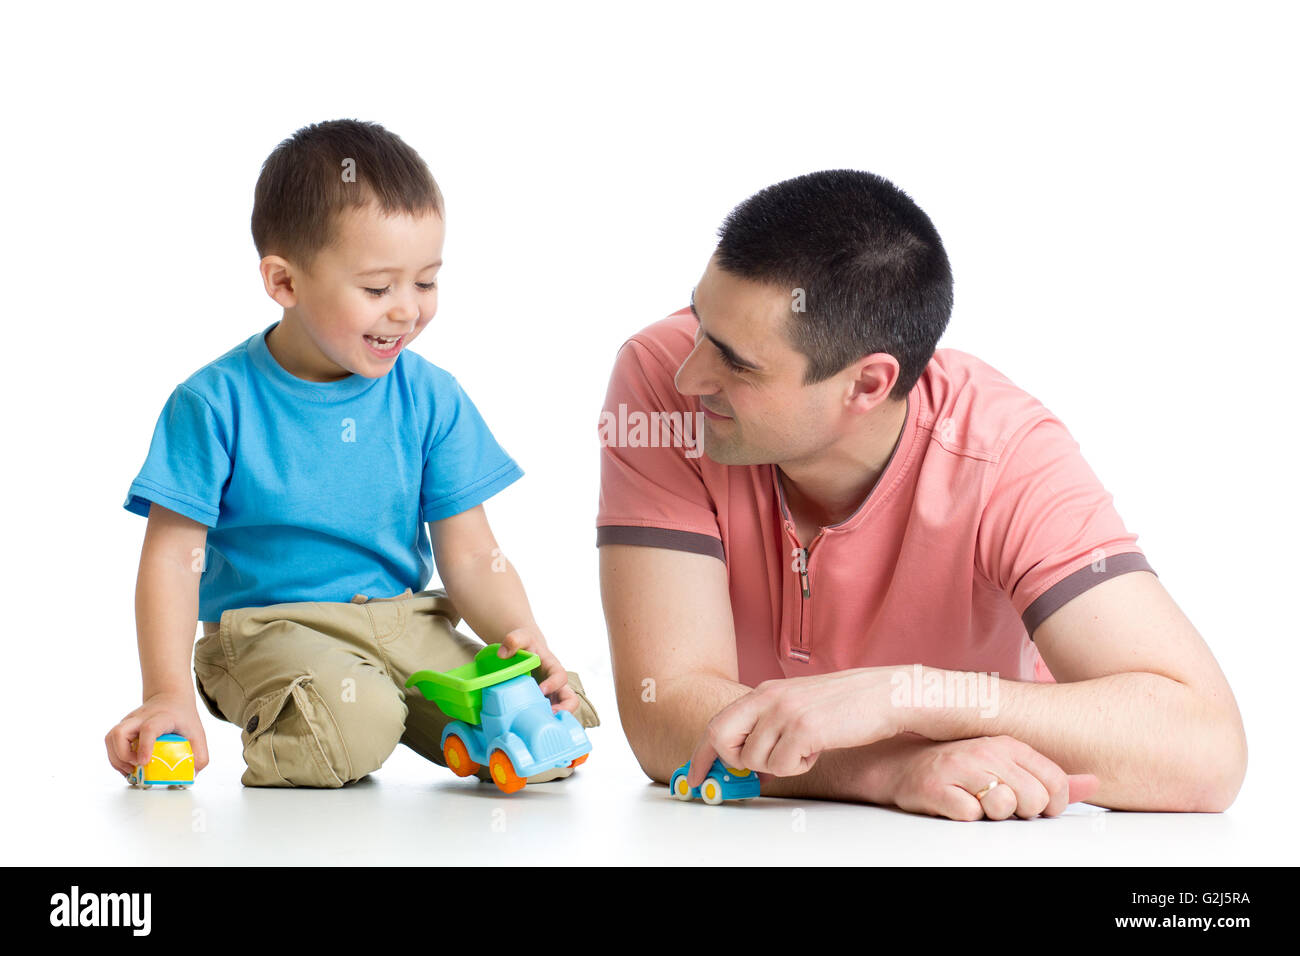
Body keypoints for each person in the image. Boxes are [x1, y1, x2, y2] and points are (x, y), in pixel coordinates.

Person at [596, 169, 1245, 820]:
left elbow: (1206, 752)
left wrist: (904, 696)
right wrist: (894, 769)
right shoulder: (663, 388)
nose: (691, 374)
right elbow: (664, 713)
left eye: (737, 363)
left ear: (867, 385)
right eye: (701, 321)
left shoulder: (1005, 455)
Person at [106, 118, 599, 788]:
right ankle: (337, 722)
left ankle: (395, 708)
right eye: (377, 288)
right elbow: (171, 557)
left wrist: (522, 637)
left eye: (425, 282)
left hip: (405, 622)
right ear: (284, 282)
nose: (407, 311)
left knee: (537, 724)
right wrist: (166, 693)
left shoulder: (433, 398)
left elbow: (471, 553)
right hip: (268, 630)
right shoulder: (213, 402)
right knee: (356, 721)